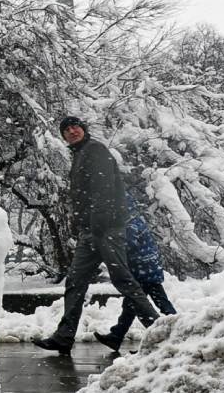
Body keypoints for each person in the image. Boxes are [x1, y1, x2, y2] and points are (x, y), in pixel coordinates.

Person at [33, 116, 160, 357]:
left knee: (123, 279)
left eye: (75, 127)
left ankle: (158, 331)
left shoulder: (95, 150)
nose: (71, 131)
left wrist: (99, 224)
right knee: (75, 281)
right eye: (66, 130)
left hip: (106, 229)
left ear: (84, 129)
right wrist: (83, 225)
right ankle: (64, 336)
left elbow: (103, 188)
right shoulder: (80, 154)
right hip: (90, 231)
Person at [93, 192, 177, 353]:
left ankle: (173, 331)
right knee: (135, 303)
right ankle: (116, 336)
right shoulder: (134, 220)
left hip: (143, 270)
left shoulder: (130, 225)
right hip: (148, 267)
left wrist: (107, 244)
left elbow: (126, 245)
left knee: (144, 303)